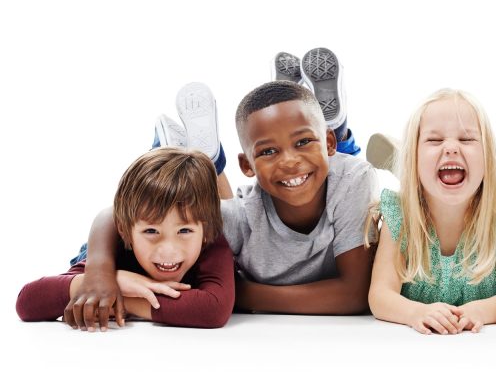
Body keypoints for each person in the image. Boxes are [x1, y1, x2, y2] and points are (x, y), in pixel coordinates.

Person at [66, 47, 377, 327]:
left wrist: (245, 296)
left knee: (328, 166)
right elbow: (113, 215)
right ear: (247, 166)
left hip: (329, 163)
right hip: (253, 206)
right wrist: (98, 270)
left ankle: (209, 159)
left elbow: (354, 295)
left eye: (303, 142)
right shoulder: (240, 217)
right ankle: (203, 164)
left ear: (327, 143)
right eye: (268, 151)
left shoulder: (353, 180)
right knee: (192, 207)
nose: (289, 162)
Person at [366, 89, 496, 335]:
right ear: (415, 156)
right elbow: (380, 295)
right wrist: (416, 313)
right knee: (414, 191)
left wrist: (480, 311)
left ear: (488, 158)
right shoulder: (400, 214)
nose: (452, 148)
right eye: (434, 140)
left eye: (466, 140)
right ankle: (401, 159)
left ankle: (414, 159)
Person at [16, 147, 235, 330]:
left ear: (205, 232)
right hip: (109, 245)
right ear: (126, 232)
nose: (168, 250)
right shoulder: (119, 248)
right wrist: (101, 278)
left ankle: (192, 150)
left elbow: (212, 310)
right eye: (151, 232)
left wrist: (116, 295)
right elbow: (27, 302)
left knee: (224, 208)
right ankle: (167, 144)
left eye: (184, 231)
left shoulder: (211, 240)